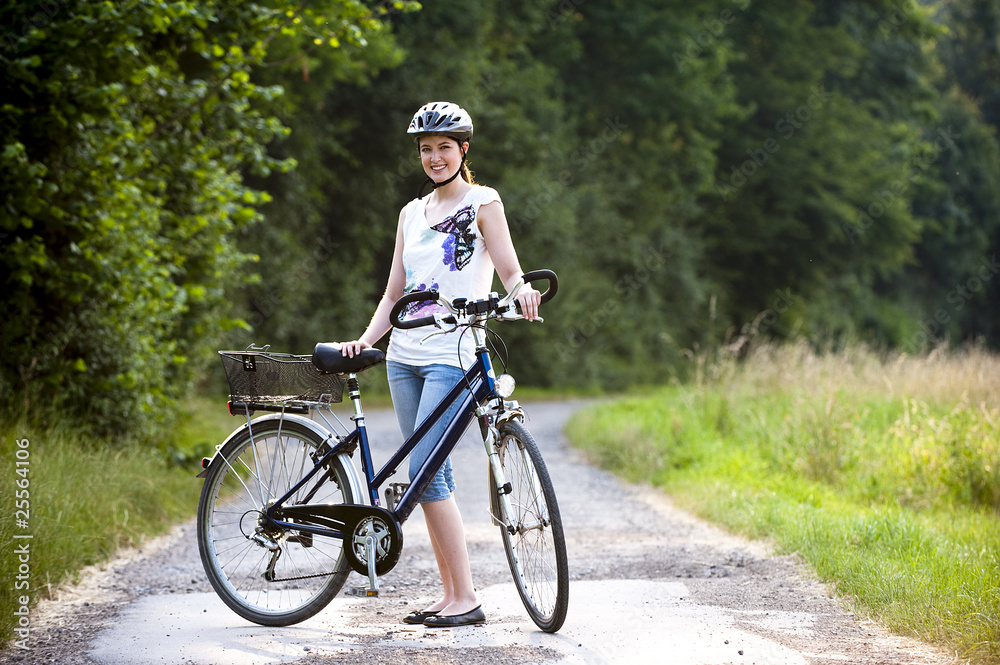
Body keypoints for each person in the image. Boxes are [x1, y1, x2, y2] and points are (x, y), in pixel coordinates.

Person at [337, 101, 541, 628]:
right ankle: (452, 594)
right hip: (402, 358)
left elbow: (509, 268)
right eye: (426, 149)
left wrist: (522, 293)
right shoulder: (410, 212)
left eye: (443, 148)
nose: (434, 157)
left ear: (463, 150)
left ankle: (466, 597)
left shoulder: (482, 201)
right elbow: (393, 294)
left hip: (452, 354)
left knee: (425, 474)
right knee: (430, 476)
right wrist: (364, 341)